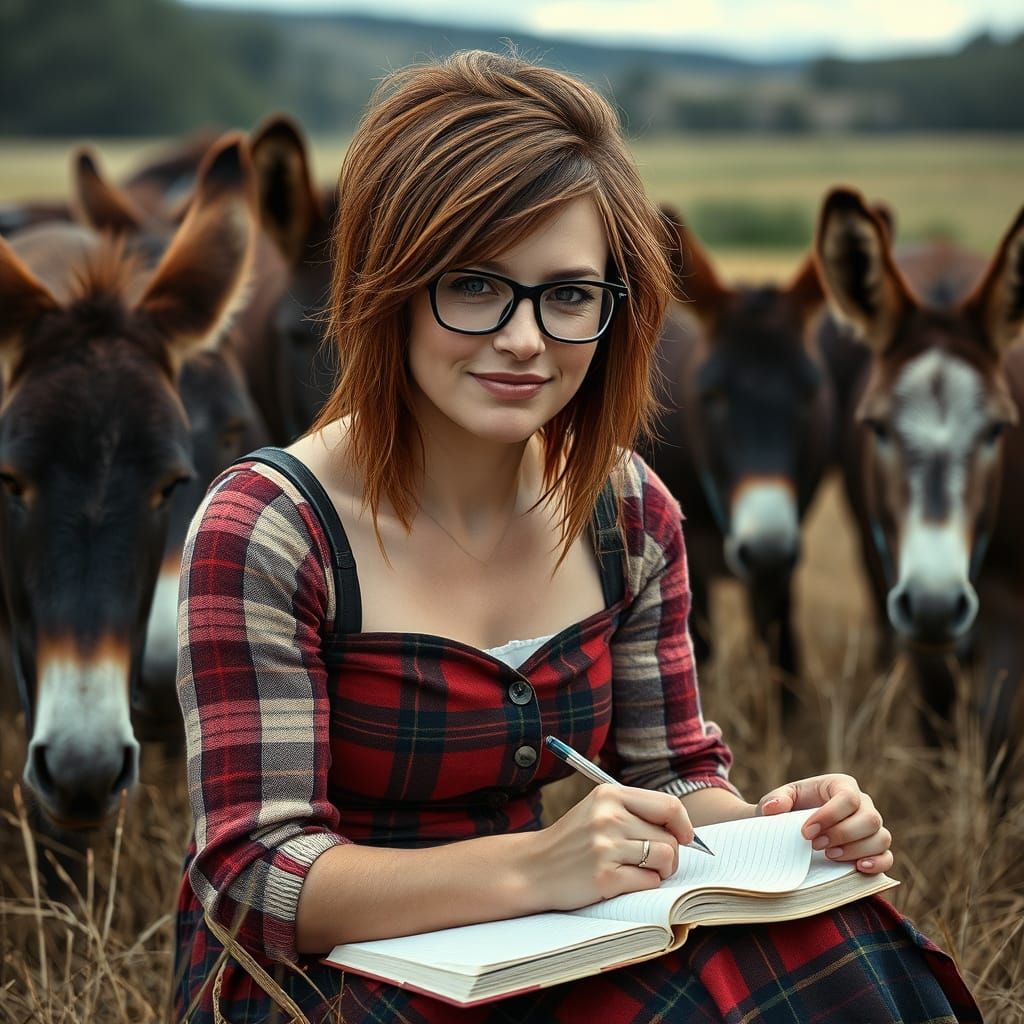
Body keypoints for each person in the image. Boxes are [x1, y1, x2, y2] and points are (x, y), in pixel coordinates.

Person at [173, 50, 980, 1023]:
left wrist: (782, 830)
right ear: (385, 284)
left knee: (838, 940)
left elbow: (674, 773)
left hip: (527, 942)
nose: (524, 339)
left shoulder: (625, 510)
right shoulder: (268, 526)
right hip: (315, 979)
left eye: (567, 295)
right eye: (474, 286)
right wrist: (536, 866)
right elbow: (256, 879)